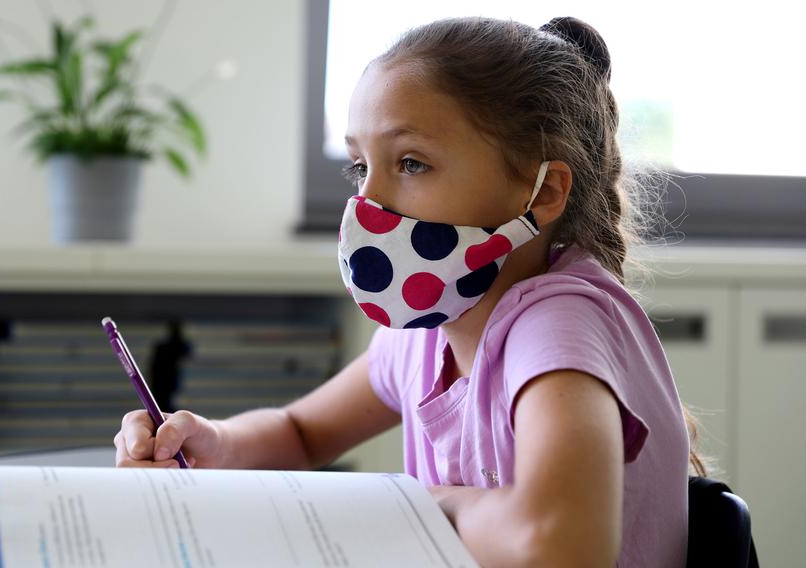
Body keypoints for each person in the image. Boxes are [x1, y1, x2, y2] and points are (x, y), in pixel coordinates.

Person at [115, 16, 701, 567]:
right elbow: (301, 433)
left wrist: (424, 505)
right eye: (359, 167)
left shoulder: (559, 325)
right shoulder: (426, 328)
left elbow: (560, 540)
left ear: (542, 193)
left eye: (412, 163)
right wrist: (209, 442)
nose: (368, 201)